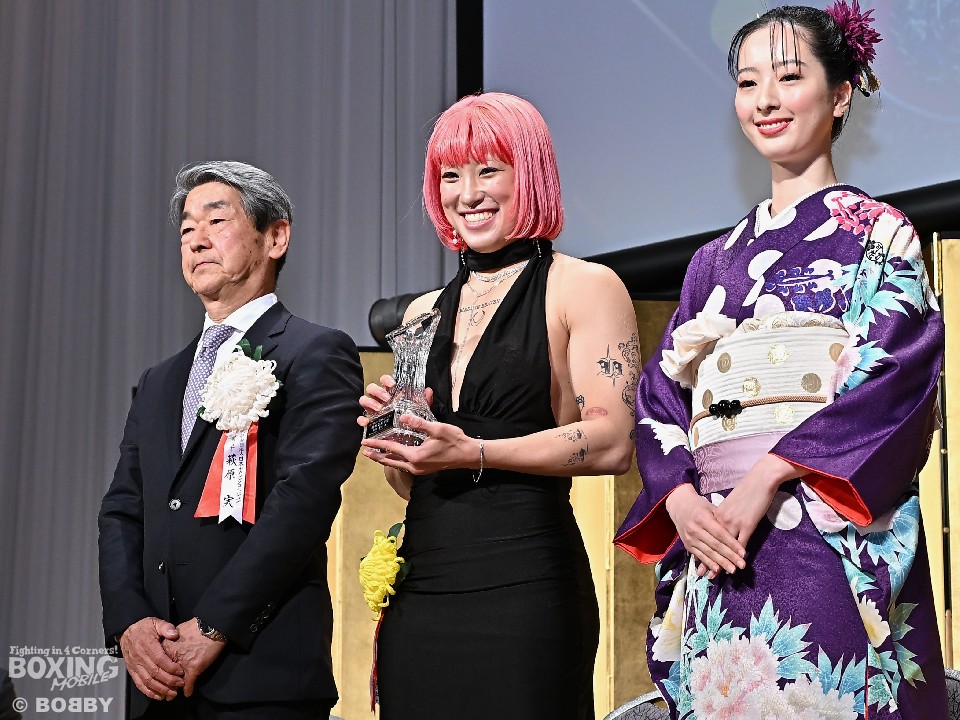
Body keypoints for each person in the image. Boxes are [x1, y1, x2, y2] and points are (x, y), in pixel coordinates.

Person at [615, 3, 948, 718]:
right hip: (717, 541)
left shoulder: (881, 234)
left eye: (789, 77)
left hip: (821, 535)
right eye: (747, 82)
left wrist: (768, 474)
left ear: (841, 93)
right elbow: (660, 396)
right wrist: (679, 499)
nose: (765, 99)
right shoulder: (711, 262)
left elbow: (895, 375)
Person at [358, 93, 638, 719]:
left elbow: (614, 442)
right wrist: (396, 442)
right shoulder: (421, 313)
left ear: (529, 173)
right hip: (423, 588)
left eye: (489, 170)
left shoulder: (584, 286)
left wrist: (475, 451)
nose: (468, 194)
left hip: (526, 586)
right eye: (450, 176)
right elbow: (411, 484)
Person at [98, 161, 364, 719]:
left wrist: (215, 625)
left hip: (259, 673)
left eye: (216, 221)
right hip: (158, 676)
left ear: (275, 237)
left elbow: (304, 501)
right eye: (186, 229)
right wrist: (130, 623)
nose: (196, 240)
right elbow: (123, 509)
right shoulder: (159, 380)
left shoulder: (314, 351)